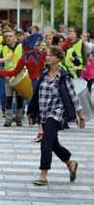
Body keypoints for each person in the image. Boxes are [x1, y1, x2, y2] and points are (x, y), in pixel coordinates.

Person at [27, 47, 85, 186]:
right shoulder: (44, 74)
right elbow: (36, 95)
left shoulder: (64, 77)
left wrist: (81, 116)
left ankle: (43, 175)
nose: (47, 57)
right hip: (44, 112)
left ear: (58, 59)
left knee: (46, 142)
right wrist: (32, 112)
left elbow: (73, 97)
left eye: (51, 55)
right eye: (47, 55)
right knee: (54, 144)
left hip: (57, 113)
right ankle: (70, 163)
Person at [0, 30, 24, 127]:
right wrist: (4, 74)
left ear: (14, 37)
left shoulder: (21, 47)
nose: (8, 38)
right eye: (6, 37)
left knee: (20, 98)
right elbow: (1, 64)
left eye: (10, 36)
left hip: (20, 76)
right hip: (8, 76)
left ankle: (19, 119)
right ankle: (8, 119)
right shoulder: (4, 49)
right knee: (9, 98)